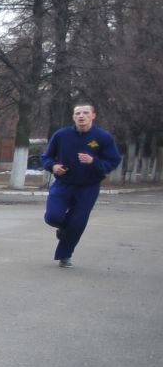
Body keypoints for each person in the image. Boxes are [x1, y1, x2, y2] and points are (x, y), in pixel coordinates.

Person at [40, 103, 121, 267]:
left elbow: (113, 160)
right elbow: (46, 157)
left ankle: (65, 255)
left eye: (85, 113)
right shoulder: (61, 135)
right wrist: (53, 166)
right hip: (63, 184)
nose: (81, 116)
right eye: (77, 113)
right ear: (73, 117)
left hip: (88, 187)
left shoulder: (102, 137)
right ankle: (64, 228)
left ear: (93, 116)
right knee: (52, 217)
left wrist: (94, 162)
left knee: (77, 222)